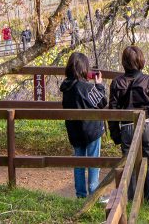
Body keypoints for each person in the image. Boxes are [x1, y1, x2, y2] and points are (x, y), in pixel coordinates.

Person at [108, 45, 149, 211]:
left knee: (130, 171)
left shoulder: (116, 82)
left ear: (124, 62)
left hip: (127, 127)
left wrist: (116, 135)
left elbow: (112, 112)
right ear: (141, 61)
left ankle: (132, 209)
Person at [60, 52, 108, 198]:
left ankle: (80, 194)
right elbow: (102, 102)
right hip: (91, 130)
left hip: (74, 131)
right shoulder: (85, 87)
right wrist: (99, 86)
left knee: (79, 162)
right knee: (93, 162)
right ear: (84, 69)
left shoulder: (66, 88)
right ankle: (94, 193)